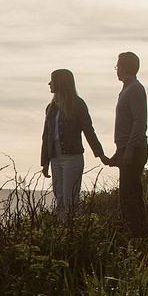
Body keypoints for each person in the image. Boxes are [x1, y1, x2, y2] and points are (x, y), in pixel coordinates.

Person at [41, 69, 107, 221]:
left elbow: (88, 130)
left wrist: (100, 154)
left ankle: (70, 229)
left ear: (61, 83)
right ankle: (62, 230)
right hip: (55, 158)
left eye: (53, 80)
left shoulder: (77, 104)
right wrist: (45, 162)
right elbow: (46, 137)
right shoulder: (51, 108)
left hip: (72, 158)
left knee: (70, 199)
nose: (50, 84)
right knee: (60, 197)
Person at [103, 51, 148, 236]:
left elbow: (139, 122)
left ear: (125, 68)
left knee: (129, 197)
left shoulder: (136, 89)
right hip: (126, 148)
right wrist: (119, 152)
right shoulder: (127, 89)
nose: (116, 70)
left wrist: (129, 150)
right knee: (130, 195)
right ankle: (139, 233)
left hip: (135, 149)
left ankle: (138, 235)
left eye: (118, 66)